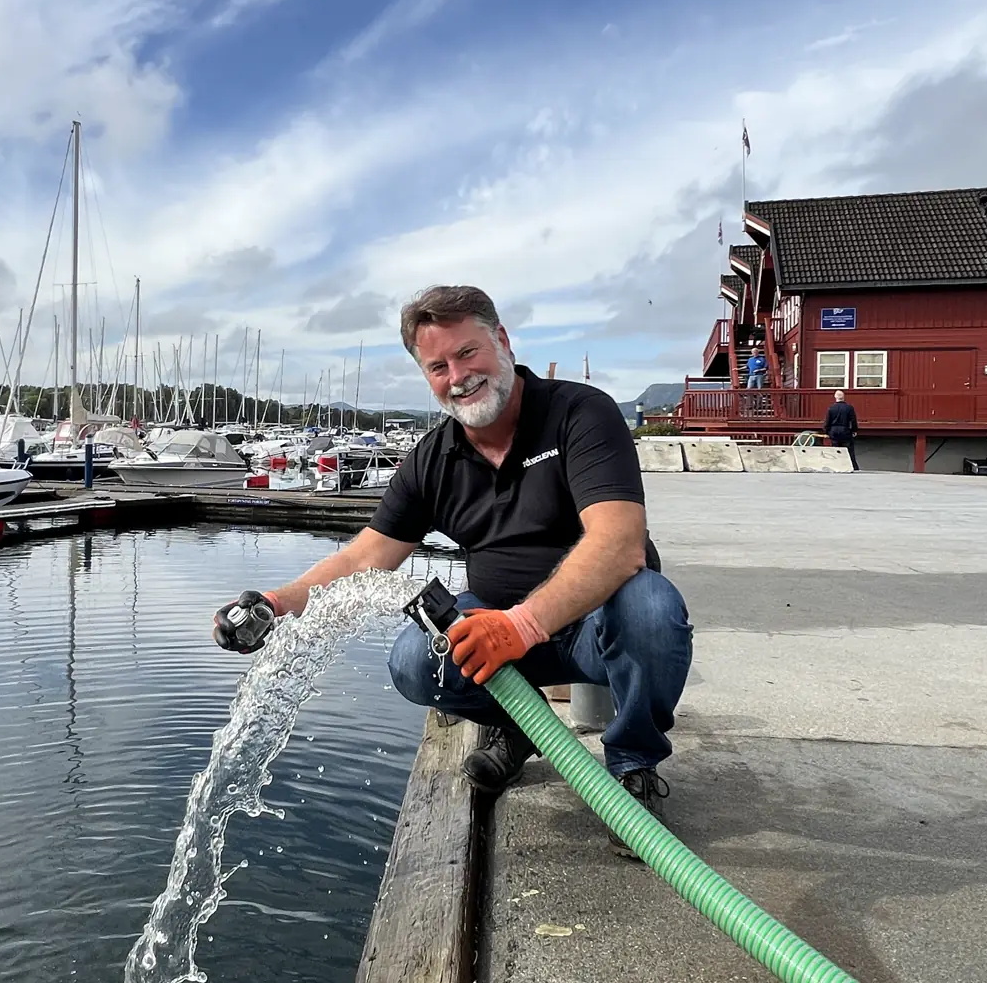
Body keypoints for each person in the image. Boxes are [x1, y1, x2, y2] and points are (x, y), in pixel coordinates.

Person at [212, 285, 693, 854]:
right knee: (414, 660)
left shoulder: (579, 413)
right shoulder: (434, 458)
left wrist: (520, 625)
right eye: (438, 367)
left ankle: (634, 765)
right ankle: (518, 726)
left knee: (652, 608)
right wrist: (274, 603)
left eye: (468, 353)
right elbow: (365, 558)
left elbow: (618, 543)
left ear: (503, 341)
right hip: (498, 636)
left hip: (597, 627)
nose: (458, 376)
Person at [823, 389, 860, 470]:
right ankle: (853, 467)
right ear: (843, 397)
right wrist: (854, 430)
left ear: (835, 397)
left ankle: (836, 466)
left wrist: (826, 431)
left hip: (834, 431)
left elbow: (827, 421)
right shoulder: (849, 408)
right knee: (849, 450)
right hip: (845, 430)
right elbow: (853, 420)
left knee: (835, 450)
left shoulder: (831, 408)